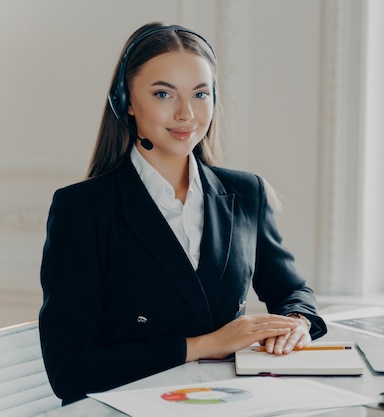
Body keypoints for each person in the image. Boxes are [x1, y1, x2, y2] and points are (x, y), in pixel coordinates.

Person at [38, 22, 327, 405]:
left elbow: (292, 291)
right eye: (163, 94)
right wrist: (204, 344)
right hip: (124, 408)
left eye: (200, 94)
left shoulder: (245, 193)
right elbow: (71, 370)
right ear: (125, 100)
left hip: (229, 403)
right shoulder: (82, 208)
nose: (186, 113)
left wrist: (295, 324)